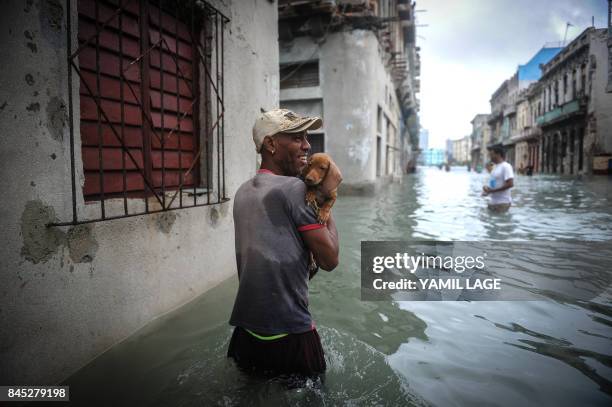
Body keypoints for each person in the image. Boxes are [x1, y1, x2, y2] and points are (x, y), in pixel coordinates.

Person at [227, 108, 339, 376]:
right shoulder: (296, 190)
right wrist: (328, 202)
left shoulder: (242, 191)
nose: (307, 145)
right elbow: (330, 260)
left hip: (246, 331)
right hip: (291, 333)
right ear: (271, 144)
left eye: (306, 137)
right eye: (297, 137)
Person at [482, 146, 514, 213]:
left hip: (502, 203)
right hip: (492, 202)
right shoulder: (495, 167)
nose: (490, 156)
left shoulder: (506, 166)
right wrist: (486, 190)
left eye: (491, 154)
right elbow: (493, 184)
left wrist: (492, 191)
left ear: (498, 154)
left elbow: (510, 184)